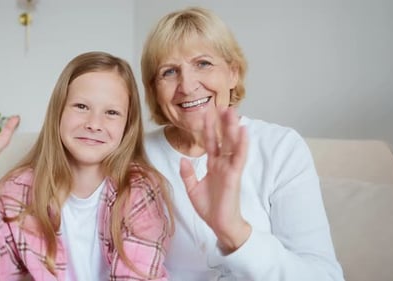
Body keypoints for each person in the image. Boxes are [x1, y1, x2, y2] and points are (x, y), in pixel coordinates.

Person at [0, 51, 173, 281]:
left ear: (127, 126)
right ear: (58, 112)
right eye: (81, 106)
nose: (94, 123)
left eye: (111, 112)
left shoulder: (139, 191)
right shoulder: (19, 191)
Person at [140, 6, 344, 281]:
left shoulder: (281, 148)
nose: (187, 86)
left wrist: (235, 231)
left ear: (233, 73)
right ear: (153, 89)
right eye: (169, 72)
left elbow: (325, 277)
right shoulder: (134, 155)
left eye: (203, 63)